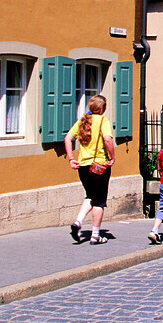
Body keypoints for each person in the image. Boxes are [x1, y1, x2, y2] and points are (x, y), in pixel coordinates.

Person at [64, 95, 116, 245]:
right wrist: (112, 157)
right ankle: (95, 234)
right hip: (99, 166)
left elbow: (68, 138)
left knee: (90, 196)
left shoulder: (83, 120)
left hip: (83, 166)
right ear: (104, 107)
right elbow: (107, 139)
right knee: (99, 201)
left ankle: (78, 222)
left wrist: (71, 158)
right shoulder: (103, 121)